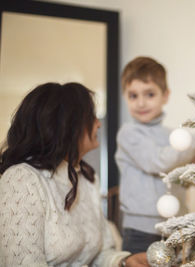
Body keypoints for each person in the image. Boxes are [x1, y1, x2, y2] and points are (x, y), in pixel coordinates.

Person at [0, 82, 149, 267]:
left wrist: (125, 261)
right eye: (90, 116)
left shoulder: (87, 178)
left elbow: (99, 253)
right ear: (67, 126)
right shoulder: (21, 180)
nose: (99, 123)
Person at [115, 57, 195, 254]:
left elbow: (174, 173)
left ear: (166, 95)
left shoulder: (174, 136)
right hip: (141, 231)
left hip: (177, 225)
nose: (141, 102)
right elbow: (159, 161)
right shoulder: (128, 133)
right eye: (133, 96)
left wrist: (192, 164)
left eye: (150, 94)